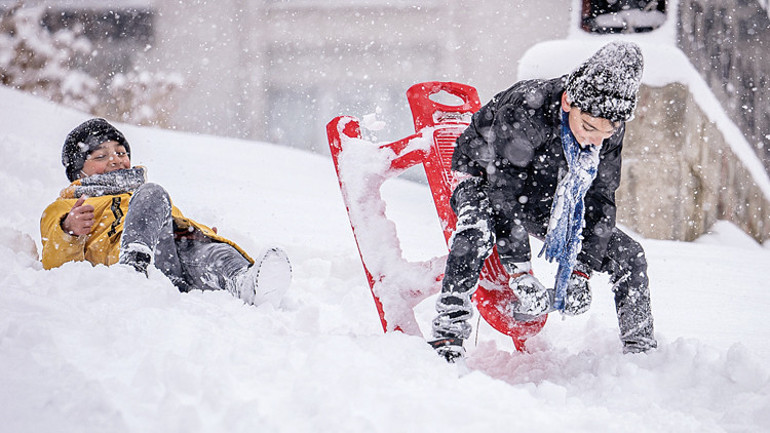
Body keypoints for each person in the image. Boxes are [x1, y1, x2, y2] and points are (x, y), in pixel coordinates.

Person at [428, 41, 656, 361]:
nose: (594, 140)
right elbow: (503, 192)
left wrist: (582, 270)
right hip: (484, 176)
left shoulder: (607, 123)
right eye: (588, 127)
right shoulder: (527, 107)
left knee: (629, 254)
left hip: (546, 192)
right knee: (476, 230)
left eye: (605, 132)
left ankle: (642, 354)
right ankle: (446, 336)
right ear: (567, 102)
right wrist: (520, 272)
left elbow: (601, 196)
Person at [40, 118, 291, 306]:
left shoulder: (139, 194)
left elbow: (172, 220)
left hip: (169, 259)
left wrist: (199, 233)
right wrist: (68, 230)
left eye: (121, 152)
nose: (115, 159)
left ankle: (244, 283)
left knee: (215, 252)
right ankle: (133, 267)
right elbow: (53, 263)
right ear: (78, 171)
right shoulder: (66, 206)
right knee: (153, 193)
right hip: (127, 260)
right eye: (101, 155)